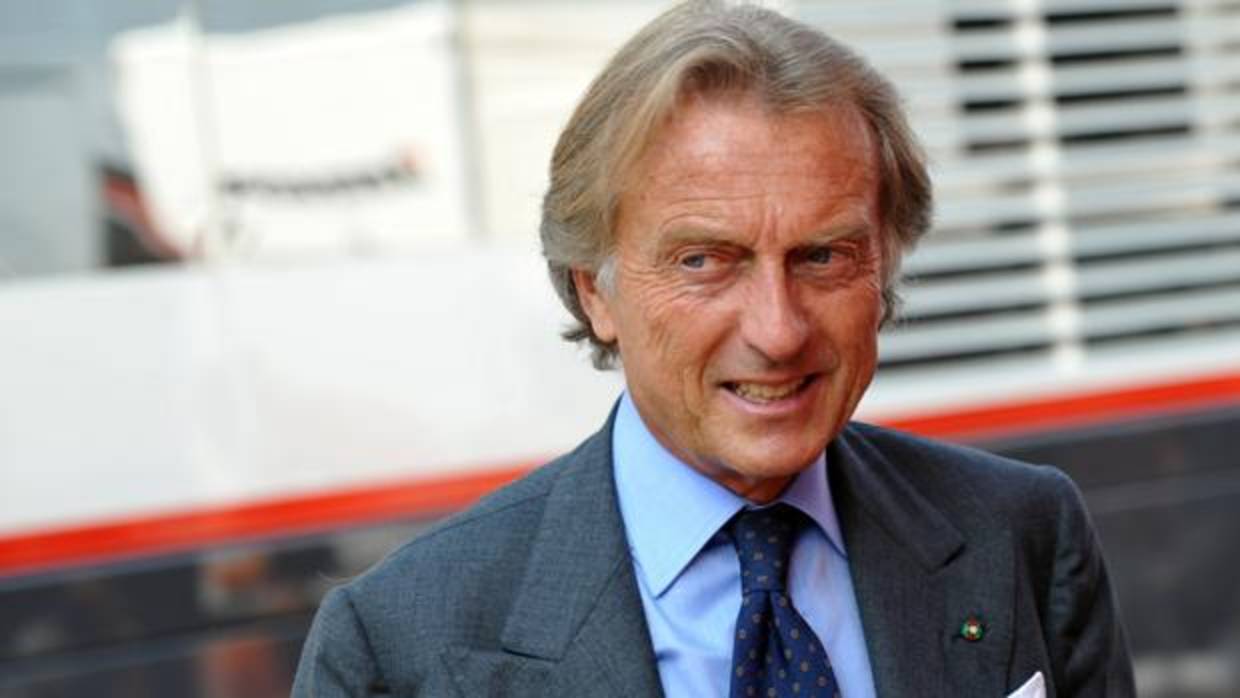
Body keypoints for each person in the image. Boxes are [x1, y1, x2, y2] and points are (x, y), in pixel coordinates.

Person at [293, 2, 1135, 696]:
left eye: (823, 257)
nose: (778, 329)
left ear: (886, 267)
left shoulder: (1019, 533)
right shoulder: (398, 647)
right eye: (705, 261)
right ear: (595, 290)